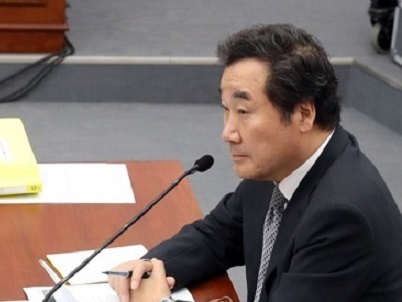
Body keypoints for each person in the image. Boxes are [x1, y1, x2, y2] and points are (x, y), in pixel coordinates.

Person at [108, 23, 402, 302]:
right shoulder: (278, 166)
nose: (228, 133)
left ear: (303, 114)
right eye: (227, 110)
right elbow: (217, 236)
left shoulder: (342, 216)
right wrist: (148, 267)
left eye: (244, 111)